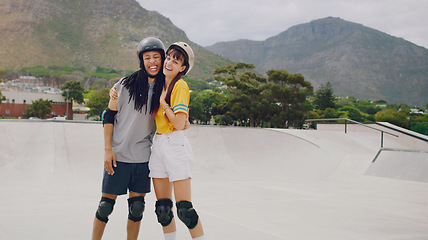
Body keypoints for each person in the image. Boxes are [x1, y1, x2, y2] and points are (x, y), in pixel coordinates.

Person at [91, 37, 166, 240]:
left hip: (142, 159)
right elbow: (109, 116)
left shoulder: (165, 90)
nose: (152, 62)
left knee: (137, 208)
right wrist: (108, 149)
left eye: (156, 57)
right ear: (142, 61)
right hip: (118, 156)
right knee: (105, 206)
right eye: (147, 57)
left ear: (163, 59)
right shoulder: (125, 85)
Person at [150, 42, 205, 240]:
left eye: (176, 60)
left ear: (183, 68)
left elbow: (180, 123)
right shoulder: (158, 84)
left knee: (185, 210)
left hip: (175, 145)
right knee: (163, 209)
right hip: (158, 145)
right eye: (169, 57)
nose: (170, 62)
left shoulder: (180, 86)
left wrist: (164, 104)